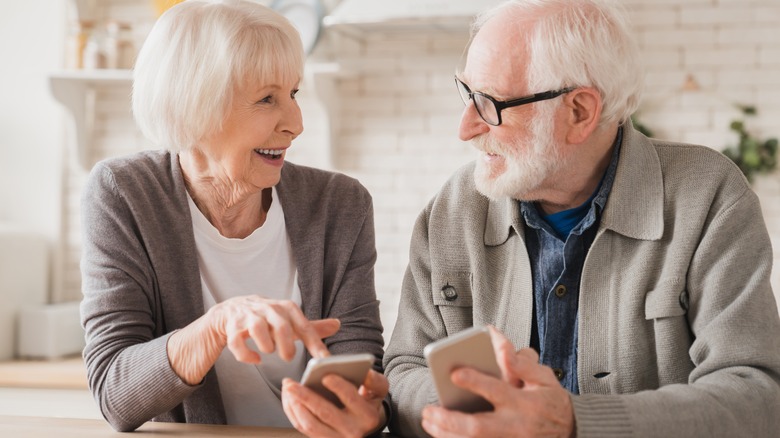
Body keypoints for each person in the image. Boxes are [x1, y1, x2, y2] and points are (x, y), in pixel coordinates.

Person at [383, 0, 780, 437]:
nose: (466, 127)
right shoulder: (452, 209)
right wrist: (484, 417)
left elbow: (756, 394)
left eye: (490, 103)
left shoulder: (709, 195)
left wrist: (574, 423)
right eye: (467, 93)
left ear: (579, 112)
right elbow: (404, 369)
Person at [79, 1, 388, 436]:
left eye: (294, 93)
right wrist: (217, 325)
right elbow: (115, 393)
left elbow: (364, 371)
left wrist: (370, 412)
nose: (296, 123)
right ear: (193, 106)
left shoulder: (340, 205)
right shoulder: (124, 193)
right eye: (267, 98)